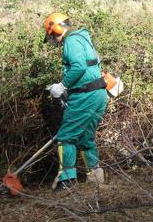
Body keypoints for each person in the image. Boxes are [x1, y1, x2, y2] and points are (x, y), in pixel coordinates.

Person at [43, 12, 108, 190]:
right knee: (86, 138)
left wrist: (63, 86)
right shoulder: (83, 38)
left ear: (55, 29)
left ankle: (66, 181)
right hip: (98, 94)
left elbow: (79, 67)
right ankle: (95, 179)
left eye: (51, 36)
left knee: (66, 137)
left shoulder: (71, 41)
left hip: (86, 95)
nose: (54, 41)